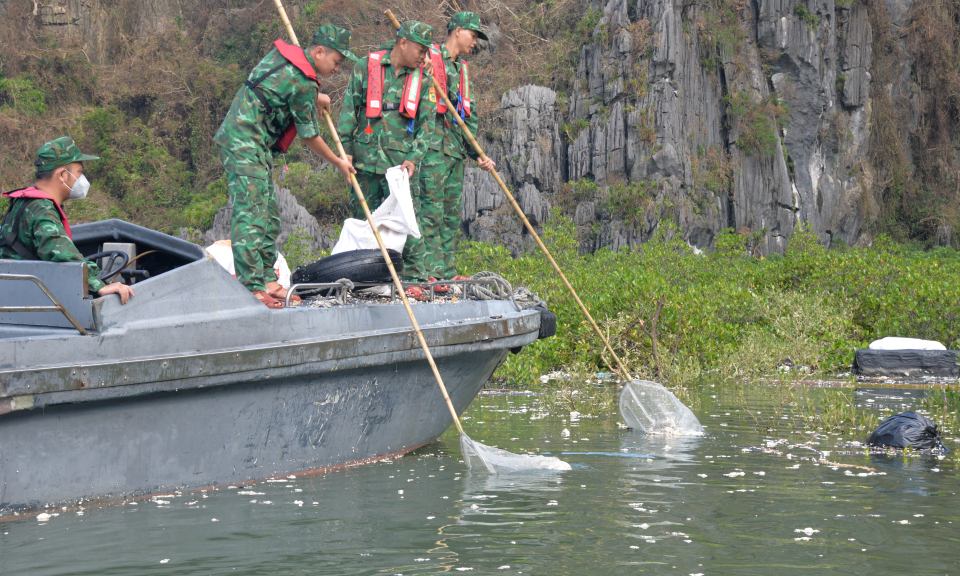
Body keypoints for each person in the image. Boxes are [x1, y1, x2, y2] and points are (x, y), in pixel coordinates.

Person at [214, 25, 358, 309]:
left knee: (270, 214)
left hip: (255, 144)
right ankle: (250, 285)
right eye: (336, 62)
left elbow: (280, 87)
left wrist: (315, 96)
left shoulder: (285, 60)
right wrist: (339, 162)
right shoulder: (304, 81)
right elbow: (309, 136)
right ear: (319, 52)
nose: (337, 69)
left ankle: (267, 279)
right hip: (242, 140)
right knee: (253, 211)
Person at [336, 21, 437, 283]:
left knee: (407, 228)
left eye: (427, 51)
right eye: (420, 49)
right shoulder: (365, 67)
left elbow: (427, 127)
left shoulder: (423, 81)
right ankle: (362, 283)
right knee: (364, 226)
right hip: (364, 165)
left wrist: (414, 158)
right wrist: (344, 151)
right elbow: (348, 112)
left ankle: (414, 283)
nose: (424, 56)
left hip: (399, 170)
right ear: (403, 43)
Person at [0, 136, 135, 304]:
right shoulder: (41, 210)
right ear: (63, 174)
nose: (82, 178)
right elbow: (62, 254)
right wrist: (98, 284)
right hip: (23, 297)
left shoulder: (26, 202)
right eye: (79, 172)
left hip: (14, 290)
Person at [417, 12, 495, 281]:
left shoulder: (462, 71)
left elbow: (468, 118)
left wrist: (479, 156)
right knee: (430, 212)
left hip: (455, 152)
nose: (475, 42)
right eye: (473, 35)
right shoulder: (426, 55)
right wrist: (421, 66)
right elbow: (394, 58)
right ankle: (426, 273)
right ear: (457, 30)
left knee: (451, 217)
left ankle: (445, 273)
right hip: (431, 149)